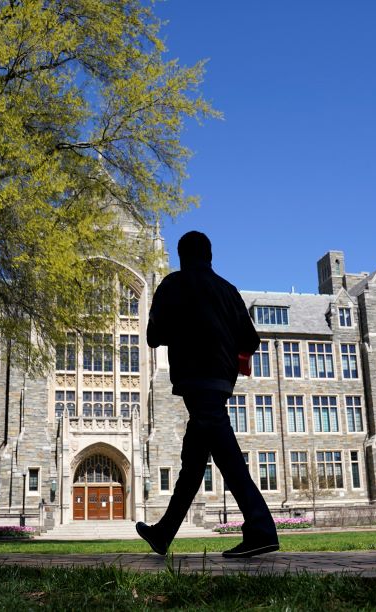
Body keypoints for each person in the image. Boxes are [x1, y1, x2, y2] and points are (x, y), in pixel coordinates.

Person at [136, 231, 279, 558]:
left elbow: (154, 336)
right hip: (221, 380)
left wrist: (182, 330)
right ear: (210, 256)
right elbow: (251, 341)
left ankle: (261, 527)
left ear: (182, 255)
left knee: (226, 453)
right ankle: (163, 533)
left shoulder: (172, 285)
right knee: (193, 461)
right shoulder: (228, 290)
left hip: (194, 377)